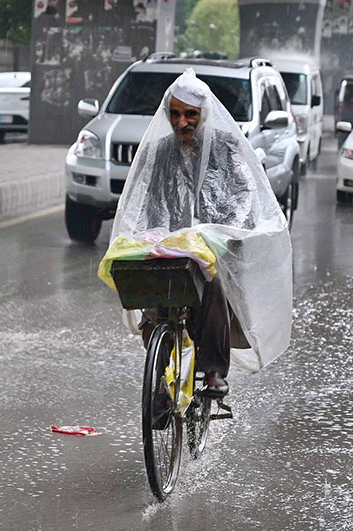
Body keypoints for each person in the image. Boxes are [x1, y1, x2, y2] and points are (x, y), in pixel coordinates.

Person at [109, 69, 293, 396]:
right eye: (175, 114)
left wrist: (224, 232)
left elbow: (243, 192)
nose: (183, 122)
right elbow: (145, 200)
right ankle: (160, 377)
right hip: (169, 247)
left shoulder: (226, 147)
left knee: (213, 289)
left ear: (203, 114)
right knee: (152, 298)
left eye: (190, 114)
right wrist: (140, 234)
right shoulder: (161, 151)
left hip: (209, 249)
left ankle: (213, 374)